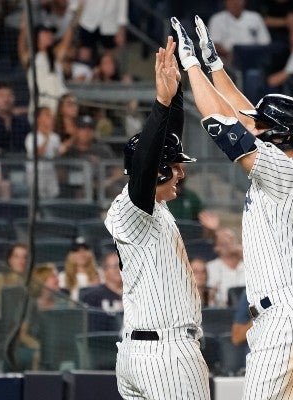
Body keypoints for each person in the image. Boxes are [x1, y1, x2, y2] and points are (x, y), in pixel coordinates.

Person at [173, 17, 293, 399]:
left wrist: (192, 66)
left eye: (265, 127)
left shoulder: (283, 170)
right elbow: (246, 115)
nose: (255, 127)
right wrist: (216, 67)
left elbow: (220, 122)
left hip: (285, 321)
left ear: (280, 135)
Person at [104, 36, 210, 399]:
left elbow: (165, 144)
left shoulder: (154, 207)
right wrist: (161, 102)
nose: (181, 174)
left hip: (142, 353)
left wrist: (175, 93)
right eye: (175, 169)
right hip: (165, 354)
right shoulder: (131, 207)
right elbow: (147, 165)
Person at [207, 0, 271, 66]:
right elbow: (214, 44)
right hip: (228, 61)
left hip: (254, 59)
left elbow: (265, 42)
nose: (235, 2)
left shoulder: (255, 17)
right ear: (225, 2)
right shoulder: (216, 19)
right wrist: (229, 55)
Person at [25, 106, 62, 199]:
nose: (51, 118)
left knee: (53, 197)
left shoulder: (55, 137)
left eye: (51, 115)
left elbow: (58, 155)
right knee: (38, 198)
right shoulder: (31, 137)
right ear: (38, 119)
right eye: (47, 115)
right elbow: (37, 153)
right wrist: (46, 138)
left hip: (51, 172)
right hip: (35, 174)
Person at [81, 251, 124, 331]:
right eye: (115, 266)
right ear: (105, 271)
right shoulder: (93, 297)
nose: (119, 269)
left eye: (121, 265)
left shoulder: (135, 294)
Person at [0, 83, 30, 155]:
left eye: (9, 95)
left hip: (21, 162)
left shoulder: (23, 123)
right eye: (2, 96)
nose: (6, 99)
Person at [0, 243, 29, 320]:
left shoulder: (32, 281)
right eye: (17, 257)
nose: (21, 261)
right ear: (10, 260)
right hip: (6, 322)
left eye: (25, 257)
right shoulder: (0, 278)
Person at [206, 228, 245, 308]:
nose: (228, 243)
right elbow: (209, 299)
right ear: (216, 248)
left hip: (250, 313)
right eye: (224, 243)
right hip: (223, 313)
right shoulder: (210, 268)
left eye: (231, 240)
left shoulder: (249, 265)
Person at [58, 236, 101, 301]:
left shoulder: (100, 273)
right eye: (77, 251)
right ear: (71, 255)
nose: (81, 254)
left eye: (85, 250)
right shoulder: (63, 276)